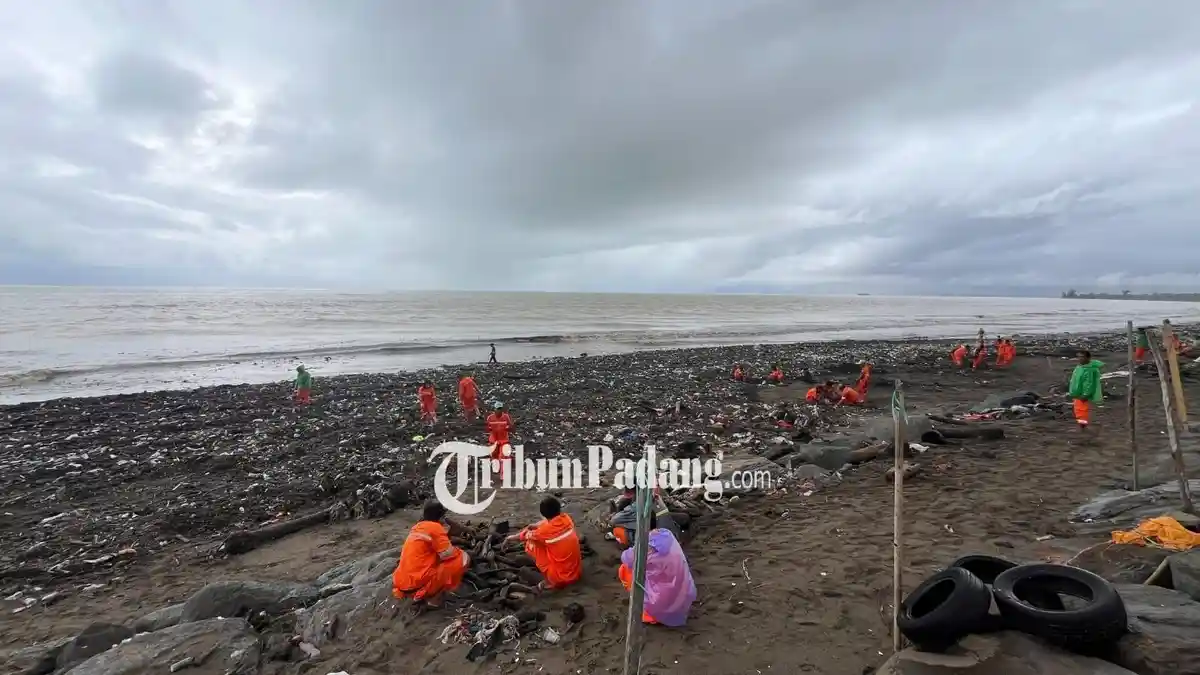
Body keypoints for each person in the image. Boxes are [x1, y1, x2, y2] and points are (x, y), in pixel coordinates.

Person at [617, 512, 697, 627]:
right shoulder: (666, 533)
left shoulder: (645, 546)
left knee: (624, 569)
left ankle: (651, 613)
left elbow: (626, 558)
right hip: (685, 593)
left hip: (663, 600)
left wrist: (635, 545)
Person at [392, 500, 470, 608]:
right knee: (463, 558)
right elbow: (448, 554)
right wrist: (458, 547)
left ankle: (424, 592)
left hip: (402, 583)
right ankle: (433, 599)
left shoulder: (417, 527)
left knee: (436, 559)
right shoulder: (435, 528)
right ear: (440, 516)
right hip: (416, 584)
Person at [504, 496, 581, 590]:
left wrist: (509, 538)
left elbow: (525, 536)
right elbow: (548, 522)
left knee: (531, 543)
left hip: (560, 579)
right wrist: (536, 525)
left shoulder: (542, 532)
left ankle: (550, 581)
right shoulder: (566, 518)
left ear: (543, 513)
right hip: (575, 573)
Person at [1068, 350, 1104, 433]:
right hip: (1077, 393)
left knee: (1082, 411)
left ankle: (1083, 427)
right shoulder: (1080, 367)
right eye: (1079, 357)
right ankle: (1082, 426)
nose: (1080, 359)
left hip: (1082, 394)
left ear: (1088, 358)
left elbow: (1089, 383)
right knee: (1078, 410)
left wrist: (1085, 394)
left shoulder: (1088, 369)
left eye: (1082, 357)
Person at [486, 401, 513, 475]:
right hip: (494, 441)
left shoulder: (505, 417)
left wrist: (507, 428)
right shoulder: (490, 418)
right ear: (494, 409)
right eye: (497, 408)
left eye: (500, 408)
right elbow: (487, 428)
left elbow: (510, 426)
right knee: (494, 456)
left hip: (504, 440)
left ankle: (503, 475)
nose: (499, 410)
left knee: (503, 457)